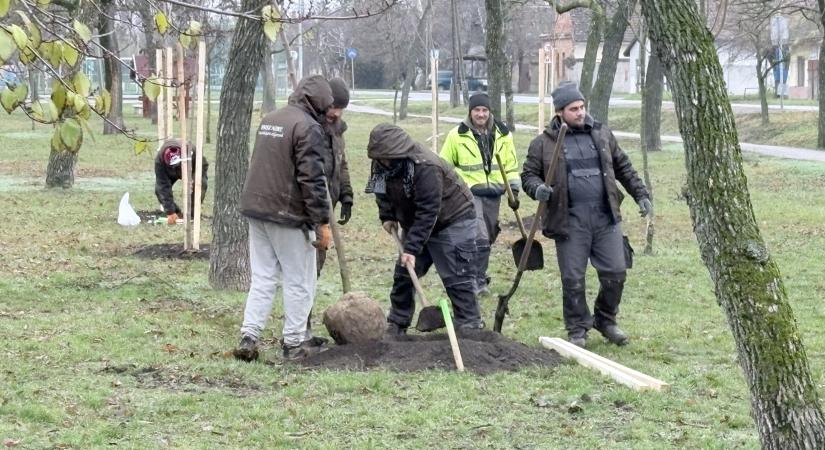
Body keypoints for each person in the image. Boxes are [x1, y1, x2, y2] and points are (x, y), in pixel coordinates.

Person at [521, 82, 652, 348]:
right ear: (560, 112)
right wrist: (538, 190)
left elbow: (623, 166)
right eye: (573, 109)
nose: (580, 113)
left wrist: (641, 194)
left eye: (582, 107)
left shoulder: (602, 134)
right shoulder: (543, 144)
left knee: (616, 271)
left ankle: (605, 319)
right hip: (569, 221)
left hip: (605, 217)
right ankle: (578, 328)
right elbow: (528, 176)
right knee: (572, 278)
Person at [234, 75, 334, 362]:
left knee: (263, 277)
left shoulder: (271, 119)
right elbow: (311, 179)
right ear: (319, 104)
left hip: (256, 208)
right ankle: (293, 344)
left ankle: (249, 335)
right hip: (286, 214)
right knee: (299, 279)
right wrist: (322, 222)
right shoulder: (308, 127)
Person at [365, 123, 484, 335]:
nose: (383, 162)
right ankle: (397, 322)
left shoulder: (426, 167)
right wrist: (387, 216)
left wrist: (411, 248)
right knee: (404, 273)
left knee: (457, 273)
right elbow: (380, 192)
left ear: (399, 153)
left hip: (453, 218)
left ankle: (469, 323)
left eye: (387, 158)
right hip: (415, 220)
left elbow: (429, 211)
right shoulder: (380, 165)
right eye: (380, 157)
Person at [439, 92, 520, 296]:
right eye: (477, 110)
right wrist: (459, 184)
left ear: (489, 111)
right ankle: (476, 281)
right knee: (479, 236)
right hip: (469, 193)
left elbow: (511, 165)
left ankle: (477, 276)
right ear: (470, 112)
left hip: (495, 192)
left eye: (484, 110)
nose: (481, 114)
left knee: (489, 234)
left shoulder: (503, 134)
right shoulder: (457, 135)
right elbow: (444, 165)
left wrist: (514, 189)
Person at [316, 77, 354, 276]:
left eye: (341, 108)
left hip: (329, 205)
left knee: (318, 261)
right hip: (311, 206)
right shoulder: (312, 127)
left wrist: (346, 195)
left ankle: (306, 304)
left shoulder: (338, 131)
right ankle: (304, 307)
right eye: (333, 106)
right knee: (310, 264)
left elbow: (341, 163)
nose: (336, 113)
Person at [154, 139, 208, 224]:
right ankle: (176, 213)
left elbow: (203, 166)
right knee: (159, 190)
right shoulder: (160, 161)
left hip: (191, 167)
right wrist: (170, 211)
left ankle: (192, 215)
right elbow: (162, 186)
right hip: (170, 172)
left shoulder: (191, 151)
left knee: (200, 184)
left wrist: (193, 179)